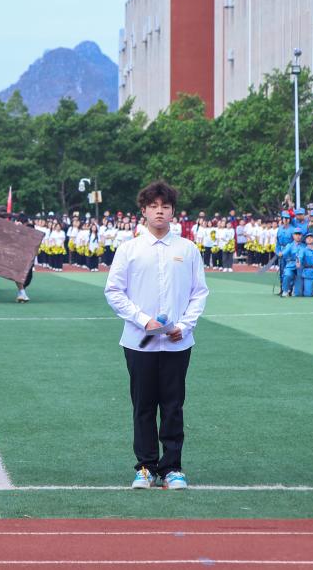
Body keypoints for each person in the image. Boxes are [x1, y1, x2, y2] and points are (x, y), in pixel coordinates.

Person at [104, 180, 209, 490]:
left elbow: (199, 292)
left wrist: (184, 326)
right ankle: (146, 467)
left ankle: (172, 468)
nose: (159, 211)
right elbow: (114, 291)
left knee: (173, 406)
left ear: (173, 212)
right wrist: (143, 320)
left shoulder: (187, 249)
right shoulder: (129, 249)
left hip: (177, 343)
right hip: (139, 342)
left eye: (165, 206)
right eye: (153, 206)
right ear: (144, 211)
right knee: (144, 406)